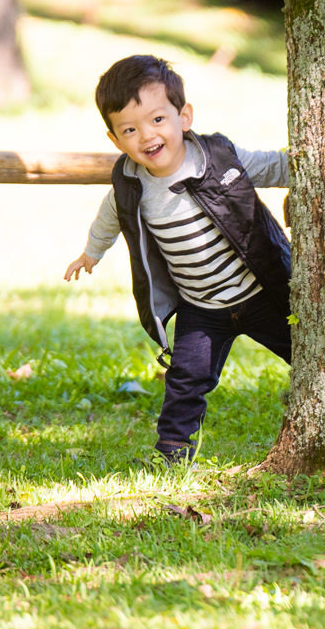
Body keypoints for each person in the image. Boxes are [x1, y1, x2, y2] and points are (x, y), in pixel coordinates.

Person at [63, 54, 292, 464]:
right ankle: (172, 450)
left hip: (259, 291)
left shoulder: (219, 158)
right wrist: (91, 253)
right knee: (186, 379)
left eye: (157, 120)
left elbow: (271, 166)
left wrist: (306, 163)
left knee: (305, 349)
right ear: (115, 140)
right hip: (201, 307)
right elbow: (108, 219)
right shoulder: (130, 185)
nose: (146, 136)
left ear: (184, 117)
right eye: (129, 129)